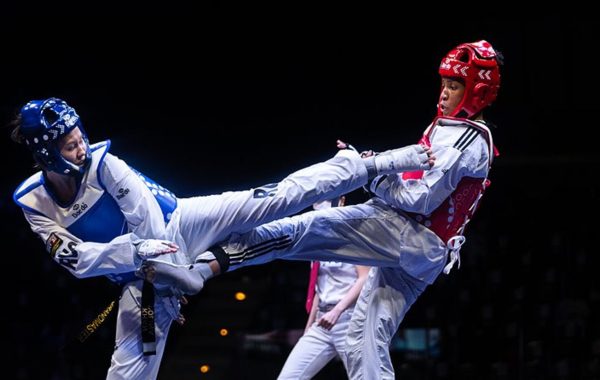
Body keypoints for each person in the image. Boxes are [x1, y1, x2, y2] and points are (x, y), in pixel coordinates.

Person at [141, 39, 502, 379]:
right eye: (444, 83)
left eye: (454, 86)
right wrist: (374, 167)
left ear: (478, 92)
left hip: (410, 233)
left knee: (298, 232)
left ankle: (201, 269)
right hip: (421, 251)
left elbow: (419, 198)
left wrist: (368, 171)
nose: (443, 93)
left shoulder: (466, 138)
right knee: (364, 342)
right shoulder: (450, 127)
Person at [10, 97, 434, 379]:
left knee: (272, 199)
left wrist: (164, 274)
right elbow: (77, 260)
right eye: (69, 146)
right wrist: (147, 269)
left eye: (80, 137)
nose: (81, 148)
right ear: (46, 153)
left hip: (182, 225)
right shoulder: (33, 202)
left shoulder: (106, 164)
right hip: (138, 274)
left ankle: (369, 164)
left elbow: (152, 228)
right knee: (128, 367)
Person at [278, 196, 370, 380]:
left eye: (326, 199)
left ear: (342, 201)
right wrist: (308, 329)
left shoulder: (354, 237)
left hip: (350, 320)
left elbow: (365, 278)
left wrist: (337, 311)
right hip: (322, 322)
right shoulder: (317, 242)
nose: (320, 204)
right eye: (317, 200)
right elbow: (319, 289)